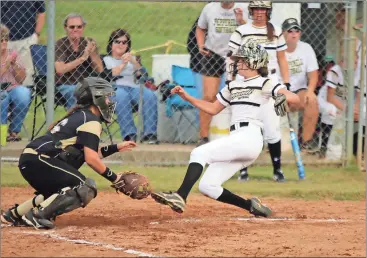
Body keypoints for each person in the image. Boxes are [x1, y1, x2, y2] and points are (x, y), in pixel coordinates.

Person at [151, 40, 300, 216]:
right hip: (239, 139)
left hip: (249, 136)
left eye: (243, 59)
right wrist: (187, 97)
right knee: (207, 186)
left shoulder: (264, 82)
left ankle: (180, 195)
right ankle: (251, 207)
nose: (238, 63)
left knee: (198, 153)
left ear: (254, 62)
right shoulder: (233, 85)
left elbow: (294, 99)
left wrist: (283, 98)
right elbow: (213, 108)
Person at [0, 77, 138, 229]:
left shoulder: (82, 115)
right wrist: (116, 178)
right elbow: (91, 159)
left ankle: (14, 214)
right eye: (106, 97)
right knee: (85, 186)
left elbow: (90, 153)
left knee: (58, 192)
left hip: (32, 159)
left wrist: (116, 147)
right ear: (96, 98)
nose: (109, 102)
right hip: (40, 159)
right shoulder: (91, 120)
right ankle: (37, 215)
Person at [228, 1, 290, 182]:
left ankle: (277, 169)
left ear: (268, 11)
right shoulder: (242, 31)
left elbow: (282, 59)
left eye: (263, 9)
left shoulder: (276, 31)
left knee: (272, 126)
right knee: (245, 125)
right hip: (245, 82)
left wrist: (286, 84)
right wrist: (230, 81)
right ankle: (242, 170)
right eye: (255, 9)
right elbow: (231, 58)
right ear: (251, 11)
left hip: (270, 82)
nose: (259, 13)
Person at [196, 1, 248, 146]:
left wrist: (241, 21)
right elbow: (200, 29)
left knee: (240, 96)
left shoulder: (243, 8)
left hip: (236, 55)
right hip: (213, 54)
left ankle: (241, 135)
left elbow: (250, 32)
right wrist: (201, 45)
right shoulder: (210, 8)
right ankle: (204, 137)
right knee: (209, 96)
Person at [103, 28, 158, 144]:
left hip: (134, 88)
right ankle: (130, 134)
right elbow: (107, 75)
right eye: (117, 41)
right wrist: (123, 64)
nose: (121, 44)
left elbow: (143, 76)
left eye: (124, 42)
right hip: (115, 88)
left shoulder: (133, 60)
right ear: (111, 44)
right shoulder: (105, 59)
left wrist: (133, 62)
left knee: (149, 95)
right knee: (121, 96)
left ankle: (149, 134)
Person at [281, 18, 319, 150]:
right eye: (290, 30)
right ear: (283, 33)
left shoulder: (306, 48)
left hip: (299, 91)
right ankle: (272, 144)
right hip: (280, 90)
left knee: (312, 102)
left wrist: (310, 91)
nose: (294, 33)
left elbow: (313, 74)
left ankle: (306, 143)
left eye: (296, 30)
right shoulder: (276, 48)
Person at [55, 13, 104, 110]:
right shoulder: (60, 44)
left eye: (79, 27)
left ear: (83, 27)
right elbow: (60, 70)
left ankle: (94, 122)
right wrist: (82, 58)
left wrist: (92, 53)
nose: (75, 29)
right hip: (66, 85)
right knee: (76, 92)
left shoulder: (87, 42)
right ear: (65, 28)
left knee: (102, 91)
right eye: (72, 27)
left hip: (86, 84)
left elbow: (100, 69)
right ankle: (76, 122)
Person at [0, 1, 45, 86]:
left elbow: (41, 12)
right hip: (4, 41)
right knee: (6, 71)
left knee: (27, 73)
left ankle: (27, 95)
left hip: (27, 39)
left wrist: (36, 35)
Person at [0, 24, 31, 142]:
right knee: (2, 97)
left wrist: (15, 66)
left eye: (6, 39)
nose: (4, 42)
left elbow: (21, 79)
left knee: (23, 93)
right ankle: (1, 136)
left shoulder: (12, 53)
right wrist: (5, 66)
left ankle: (14, 132)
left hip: (12, 87)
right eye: (0, 39)